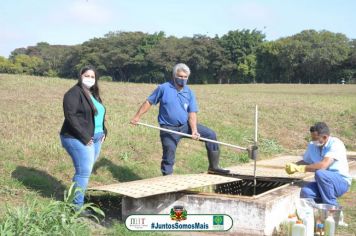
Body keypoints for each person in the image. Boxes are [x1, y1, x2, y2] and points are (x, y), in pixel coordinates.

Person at [130, 63, 229, 175]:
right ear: (174, 76)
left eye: (185, 77)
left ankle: (214, 167)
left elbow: (192, 113)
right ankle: (167, 179)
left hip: (185, 126)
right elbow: (149, 102)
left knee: (211, 135)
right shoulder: (163, 88)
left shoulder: (189, 92)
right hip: (168, 128)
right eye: (180, 76)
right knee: (169, 153)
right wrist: (137, 117)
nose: (183, 79)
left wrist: (194, 130)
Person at [60, 65, 107, 208]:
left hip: (97, 137)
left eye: (92, 77)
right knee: (84, 172)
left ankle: (73, 200)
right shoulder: (73, 93)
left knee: (84, 171)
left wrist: (104, 131)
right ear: (80, 76)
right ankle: (76, 207)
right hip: (77, 137)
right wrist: (85, 137)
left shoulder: (93, 93)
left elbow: (98, 115)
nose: (90, 79)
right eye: (87, 76)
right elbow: (71, 117)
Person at [285, 122, 351, 206]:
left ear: (324, 137)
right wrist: (294, 165)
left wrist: (301, 168)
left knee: (320, 173)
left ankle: (332, 208)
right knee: (306, 192)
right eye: (312, 138)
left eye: (315, 138)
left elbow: (323, 165)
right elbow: (307, 161)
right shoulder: (312, 145)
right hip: (323, 182)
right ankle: (320, 209)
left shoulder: (336, 144)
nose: (313, 141)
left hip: (340, 182)